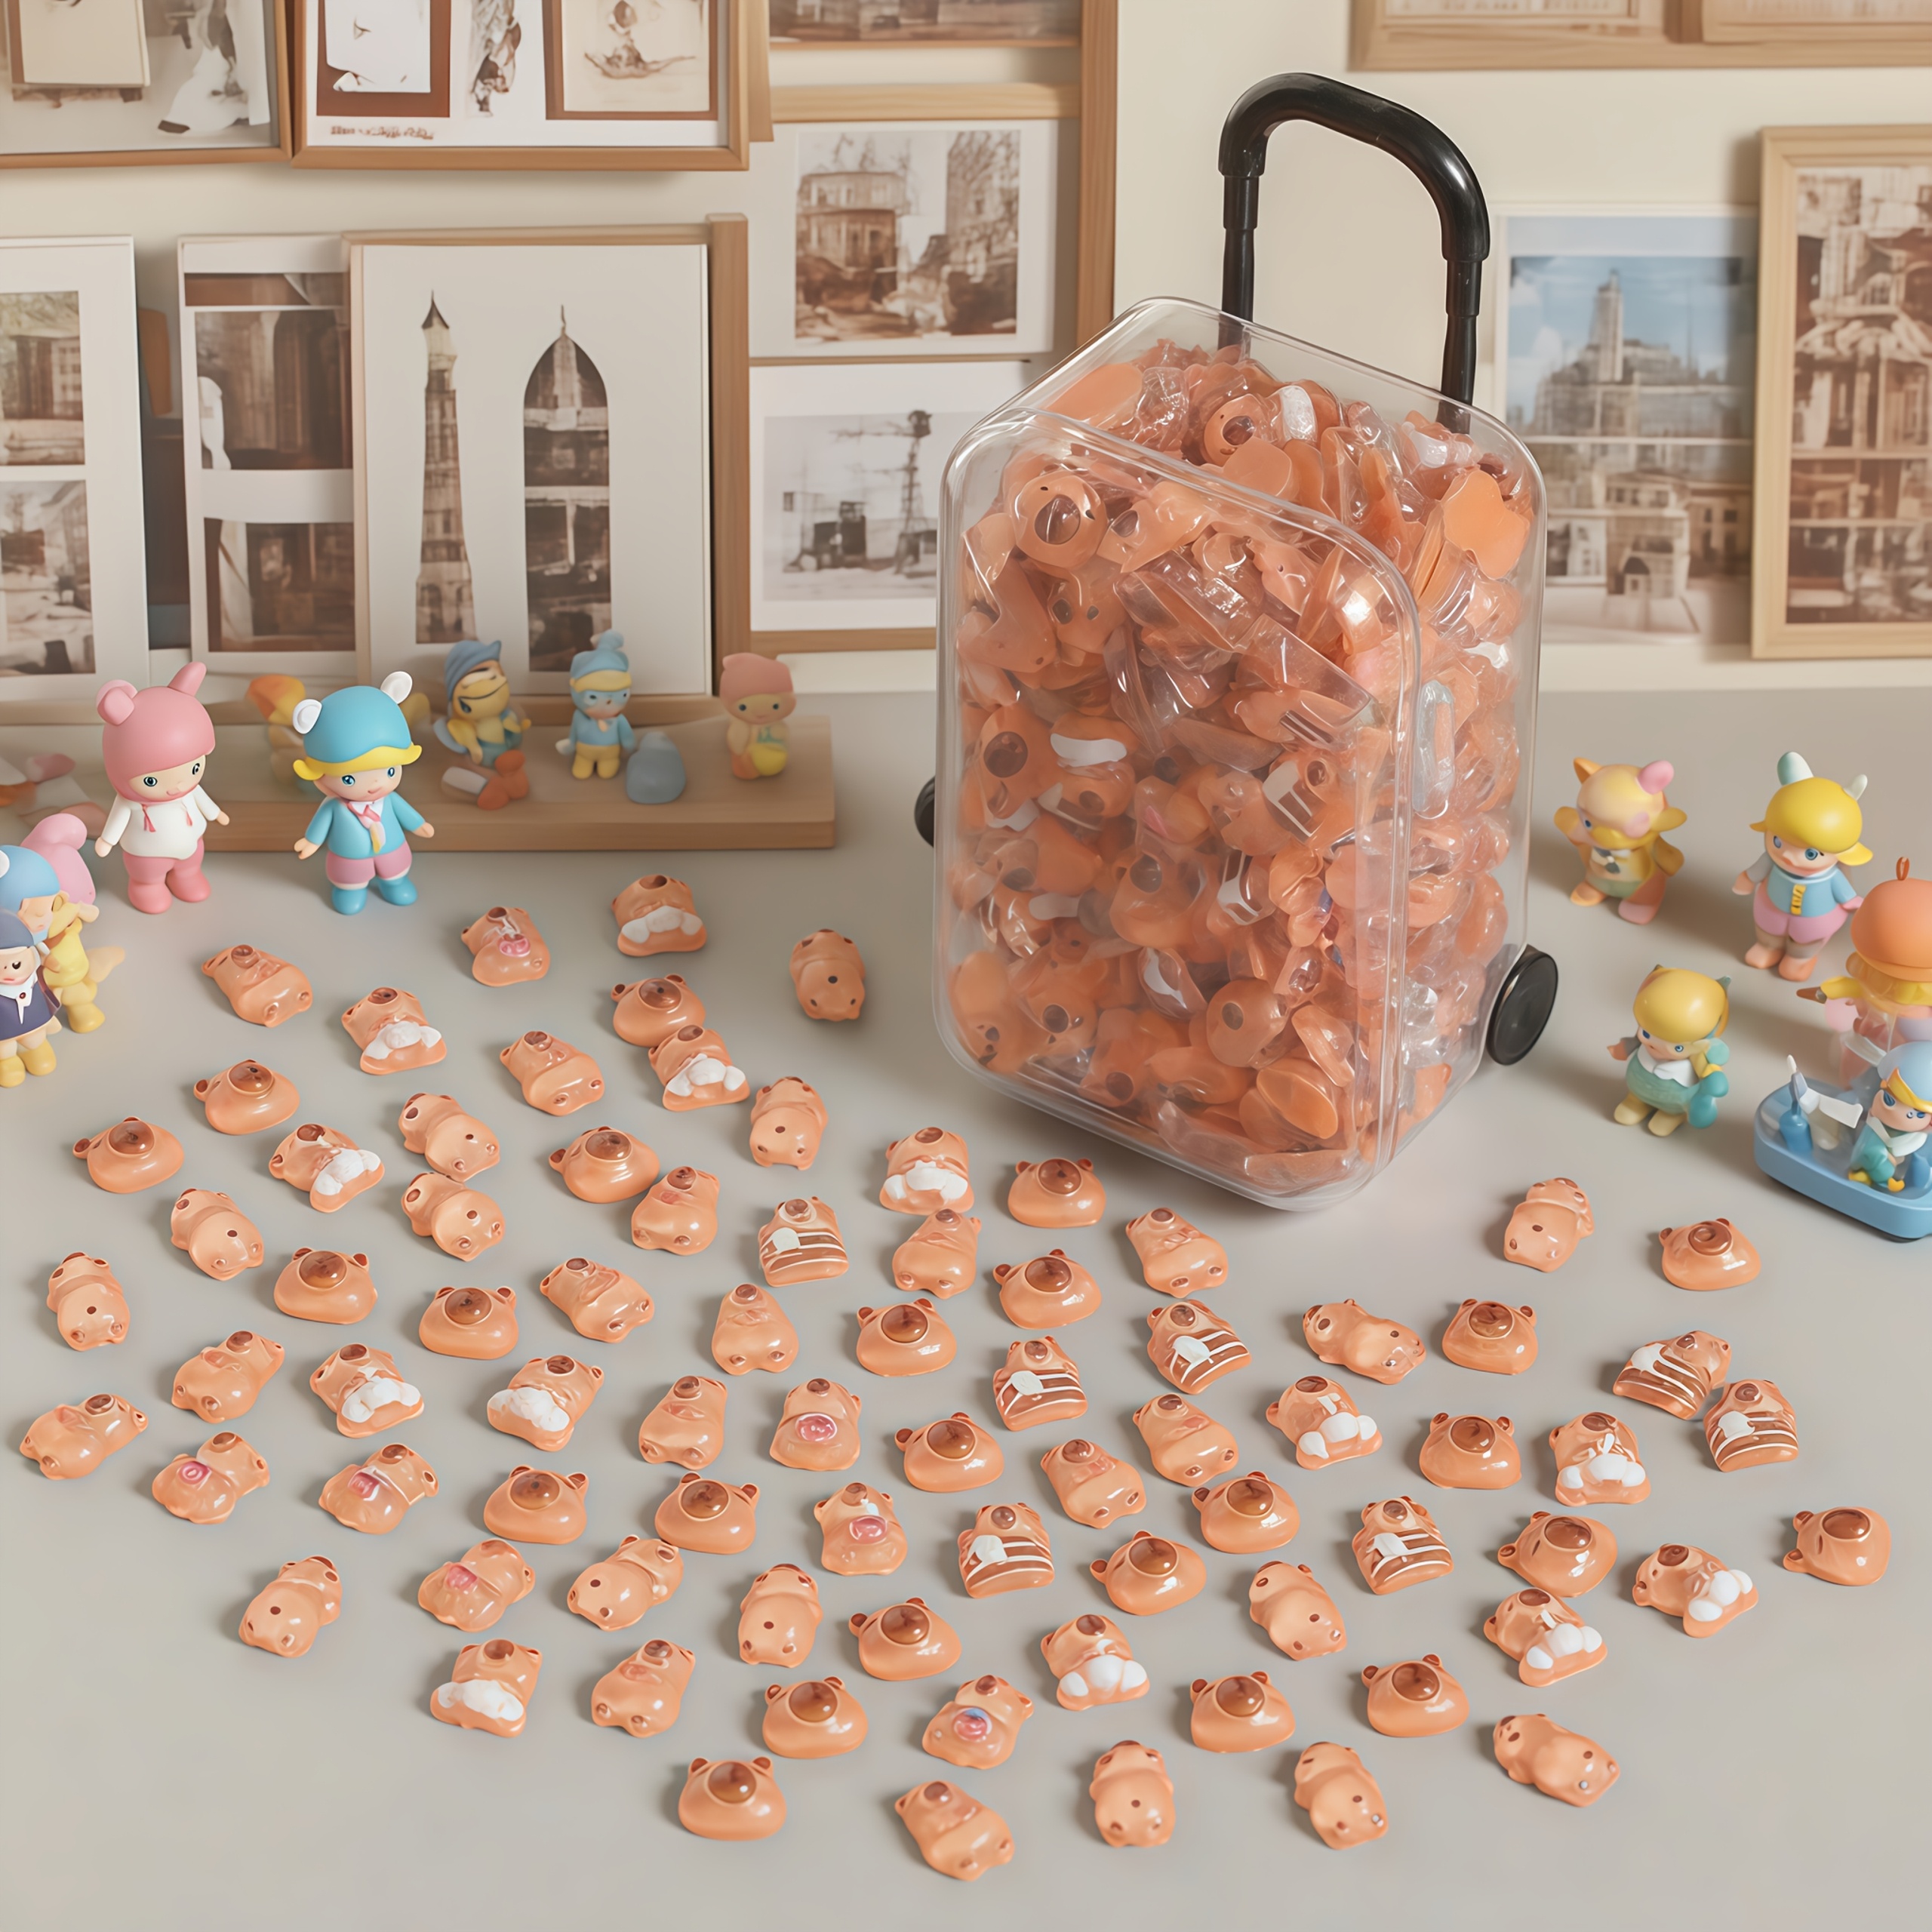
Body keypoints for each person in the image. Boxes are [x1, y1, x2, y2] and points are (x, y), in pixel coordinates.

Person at [291, 675, 436, 915]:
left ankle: (395, 883)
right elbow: (321, 824)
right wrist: (311, 841)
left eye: (390, 771)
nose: (375, 785)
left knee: (395, 869)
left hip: (392, 849)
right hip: (350, 855)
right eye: (349, 779)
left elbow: (405, 813)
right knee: (350, 877)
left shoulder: (389, 800)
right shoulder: (334, 806)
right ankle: (350, 890)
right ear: (320, 777)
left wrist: (419, 825)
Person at [1732, 752, 1871, 982]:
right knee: (1767, 930)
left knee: (1806, 941)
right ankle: (1768, 946)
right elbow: (1755, 872)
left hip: (1815, 918)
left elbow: (1846, 895)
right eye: (1778, 841)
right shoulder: (1771, 860)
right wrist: (1747, 880)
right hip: (1771, 906)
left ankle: (1800, 958)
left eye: (1810, 853)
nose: (1788, 856)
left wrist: (1854, 903)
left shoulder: (1832, 877)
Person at [558, 632, 636, 780]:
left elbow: (626, 735)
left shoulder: (618, 719)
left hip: (610, 752)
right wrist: (571, 743)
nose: (608, 703)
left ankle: (609, 762)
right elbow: (574, 732)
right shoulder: (579, 716)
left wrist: (629, 743)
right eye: (593, 697)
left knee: (607, 771)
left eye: (623, 695)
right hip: (584, 752)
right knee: (581, 770)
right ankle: (583, 761)